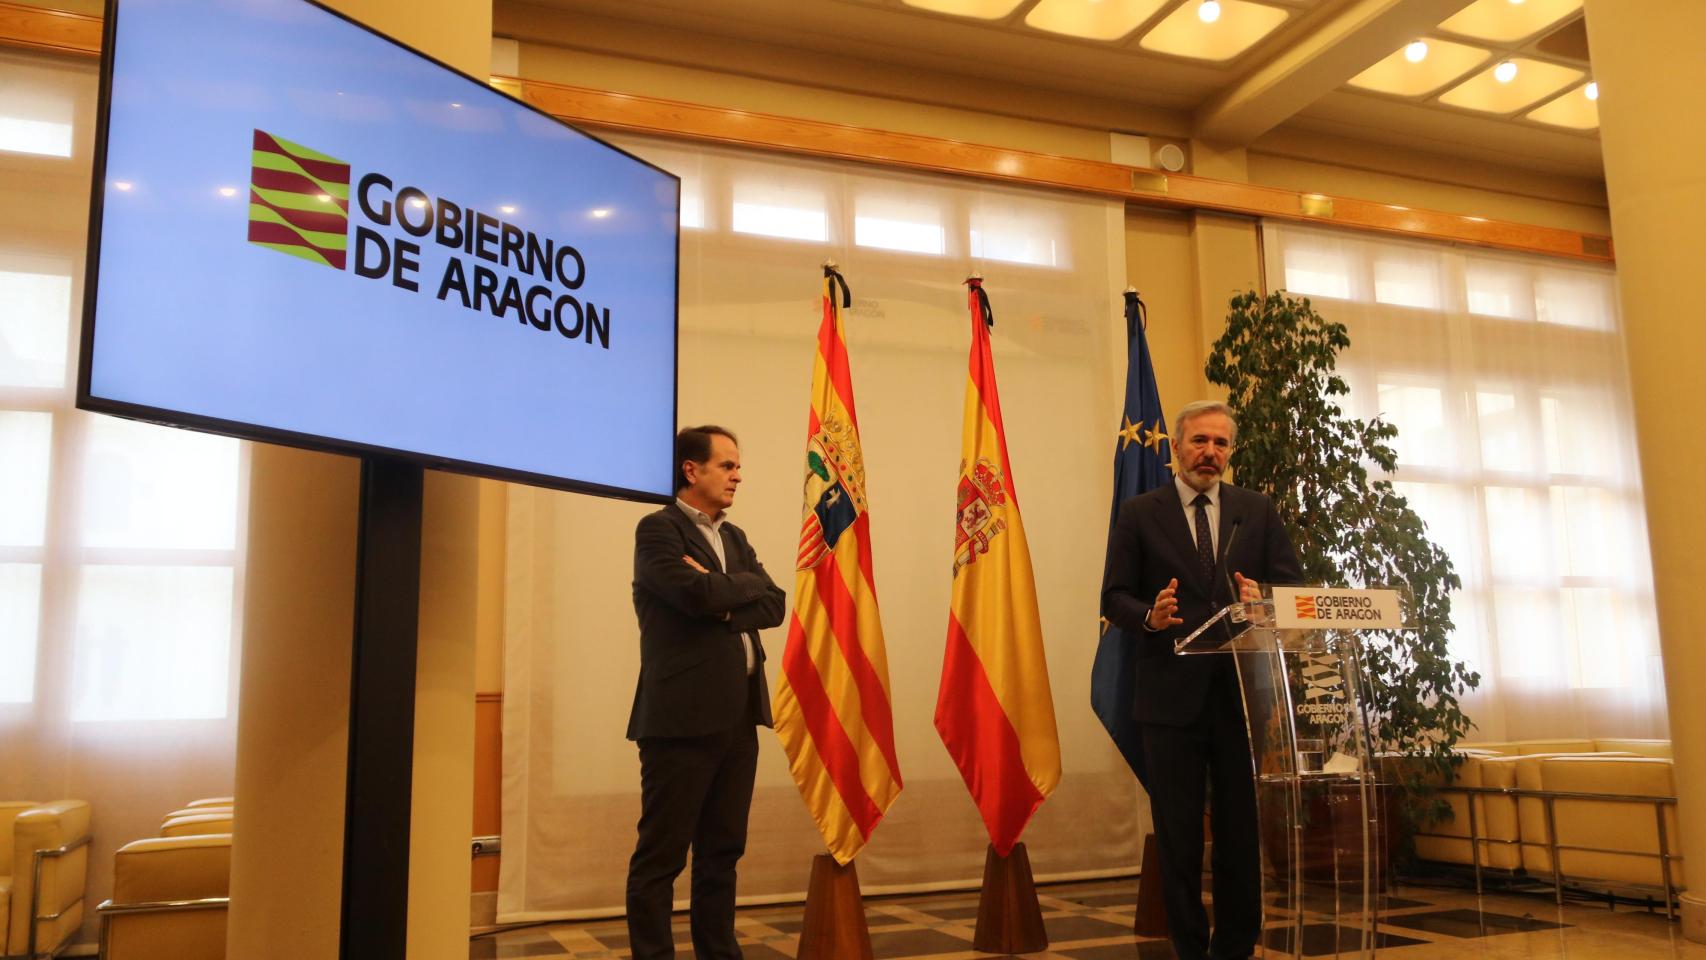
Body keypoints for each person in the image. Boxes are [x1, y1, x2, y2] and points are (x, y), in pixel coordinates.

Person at [1101, 400, 1302, 960]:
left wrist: (1263, 601)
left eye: (1220, 443)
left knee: (1240, 833)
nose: (1210, 452)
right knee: (1180, 835)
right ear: (1177, 448)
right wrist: (1150, 616)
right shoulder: (1141, 512)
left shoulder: (1255, 510)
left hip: (1239, 697)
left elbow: (1292, 590)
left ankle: (1236, 947)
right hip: (1169, 697)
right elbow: (1113, 595)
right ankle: (1190, 947)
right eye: (1199, 442)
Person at [626, 425, 786, 960]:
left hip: (739, 720)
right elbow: (690, 592)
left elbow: (776, 603)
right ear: (690, 470)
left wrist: (723, 596)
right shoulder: (658, 530)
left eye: (738, 466)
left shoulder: (734, 538)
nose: (738, 475)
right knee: (661, 858)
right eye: (727, 465)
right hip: (680, 721)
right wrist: (733, 592)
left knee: (722, 853)